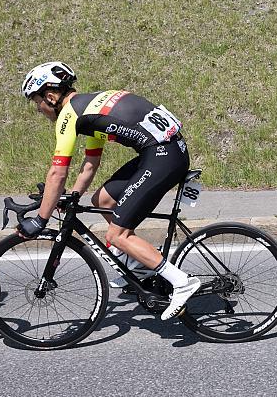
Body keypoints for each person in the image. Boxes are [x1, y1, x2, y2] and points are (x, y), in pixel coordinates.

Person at [17, 61, 200, 320]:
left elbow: (57, 173)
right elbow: (91, 162)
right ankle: (139, 267)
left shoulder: (70, 116)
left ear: (50, 96)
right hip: (164, 151)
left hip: (163, 155)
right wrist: (74, 196)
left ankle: (182, 282)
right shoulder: (88, 107)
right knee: (103, 200)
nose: (39, 109)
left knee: (118, 234)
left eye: (37, 102)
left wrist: (40, 220)